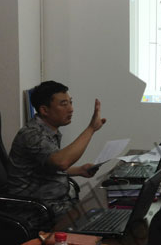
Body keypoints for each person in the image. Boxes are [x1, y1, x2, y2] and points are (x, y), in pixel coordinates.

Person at [6, 81, 106, 215]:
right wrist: (91, 129)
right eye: (64, 104)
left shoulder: (49, 130)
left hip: (56, 203)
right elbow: (61, 162)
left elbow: (48, 166)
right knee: (103, 215)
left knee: (108, 211)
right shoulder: (32, 135)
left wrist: (79, 170)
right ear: (44, 110)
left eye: (70, 102)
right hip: (37, 211)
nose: (71, 109)